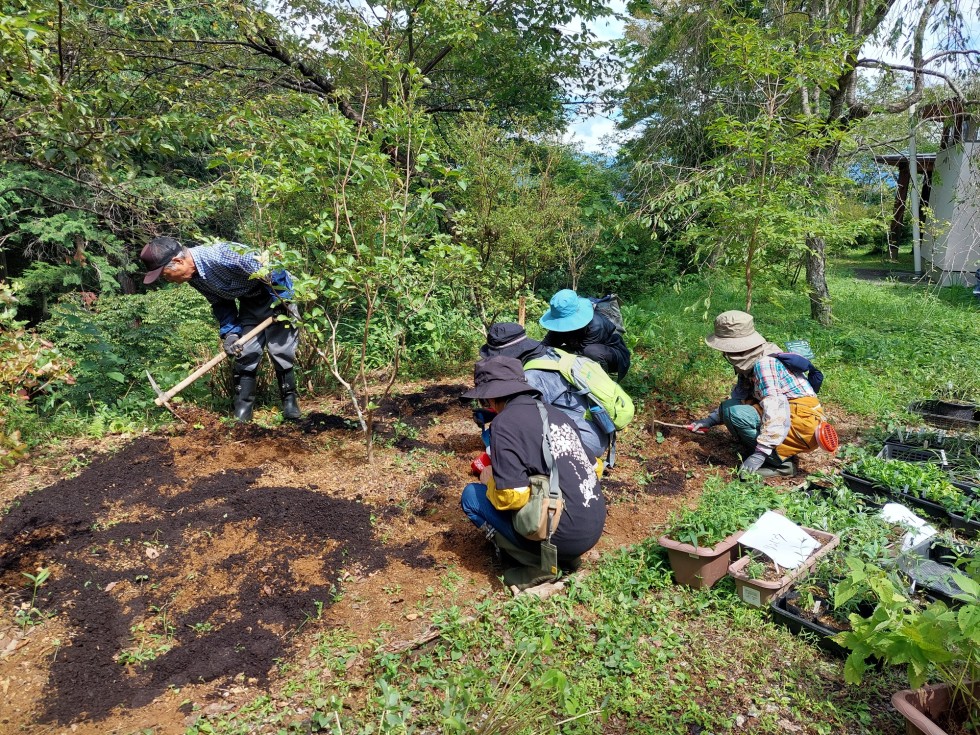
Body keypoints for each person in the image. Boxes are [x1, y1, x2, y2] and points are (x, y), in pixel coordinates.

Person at [460, 356, 607, 591]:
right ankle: (565, 553)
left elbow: (512, 496)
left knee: (471, 497)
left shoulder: (503, 424)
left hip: (563, 537)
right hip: (592, 528)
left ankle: (541, 564)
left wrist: (489, 481)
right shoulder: (556, 414)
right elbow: (595, 467)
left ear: (489, 398)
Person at [140, 236, 301, 422]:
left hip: (273, 293)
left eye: (165, 275)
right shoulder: (194, 277)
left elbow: (272, 268)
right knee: (245, 351)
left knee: (280, 349)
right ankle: (243, 411)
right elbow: (220, 302)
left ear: (178, 261)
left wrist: (282, 300)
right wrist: (231, 333)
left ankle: (290, 404)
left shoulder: (223, 254)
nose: (168, 280)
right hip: (249, 301)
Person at [687, 311, 825, 478]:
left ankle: (779, 464)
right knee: (729, 407)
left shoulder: (764, 365)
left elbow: (777, 411)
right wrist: (709, 420)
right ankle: (774, 451)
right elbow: (738, 399)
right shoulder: (749, 362)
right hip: (792, 418)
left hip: (802, 425)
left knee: (735, 414)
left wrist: (759, 454)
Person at [479, 322, 610, 458]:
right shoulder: (550, 354)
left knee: (503, 439)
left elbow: (519, 420)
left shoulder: (533, 377)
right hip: (598, 432)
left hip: (583, 441)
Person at [539, 289, 630, 380]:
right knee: (550, 351)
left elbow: (581, 355)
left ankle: (600, 381)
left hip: (610, 354)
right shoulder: (558, 326)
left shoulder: (596, 326)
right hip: (580, 349)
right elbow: (546, 345)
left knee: (591, 352)